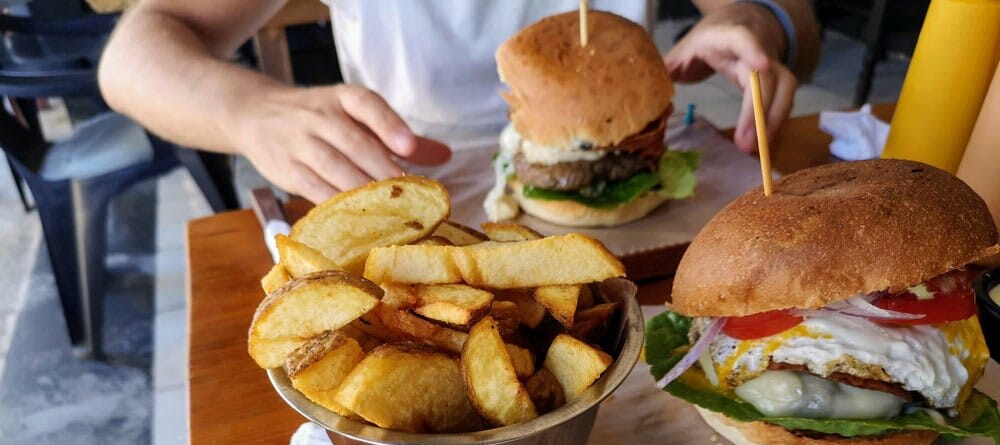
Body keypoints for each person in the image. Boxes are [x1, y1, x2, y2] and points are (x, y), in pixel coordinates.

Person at [99, 1, 819, 204]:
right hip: (406, 183)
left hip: (640, 188)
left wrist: (752, 27)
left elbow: (795, 20)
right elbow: (133, 53)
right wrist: (247, 110)